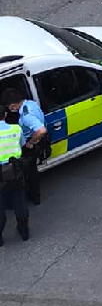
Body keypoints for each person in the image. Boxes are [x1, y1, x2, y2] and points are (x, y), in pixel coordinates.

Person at [1, 89, 48, 205]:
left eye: (9, 107)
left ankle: (33, 196)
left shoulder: (26, 116)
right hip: (37, 141)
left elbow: (41, 130)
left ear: (12, 105)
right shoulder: (30, 104)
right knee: (32, 170)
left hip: (32, 143)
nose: (9, 110)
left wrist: (31, 142)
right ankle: (34, 195)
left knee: (30, 172)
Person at [0, 104, 29, 245]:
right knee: (19, 201)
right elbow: (23, 144)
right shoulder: (16, 129)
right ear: (5, 115)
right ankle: (24, 232)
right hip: (15, 170)